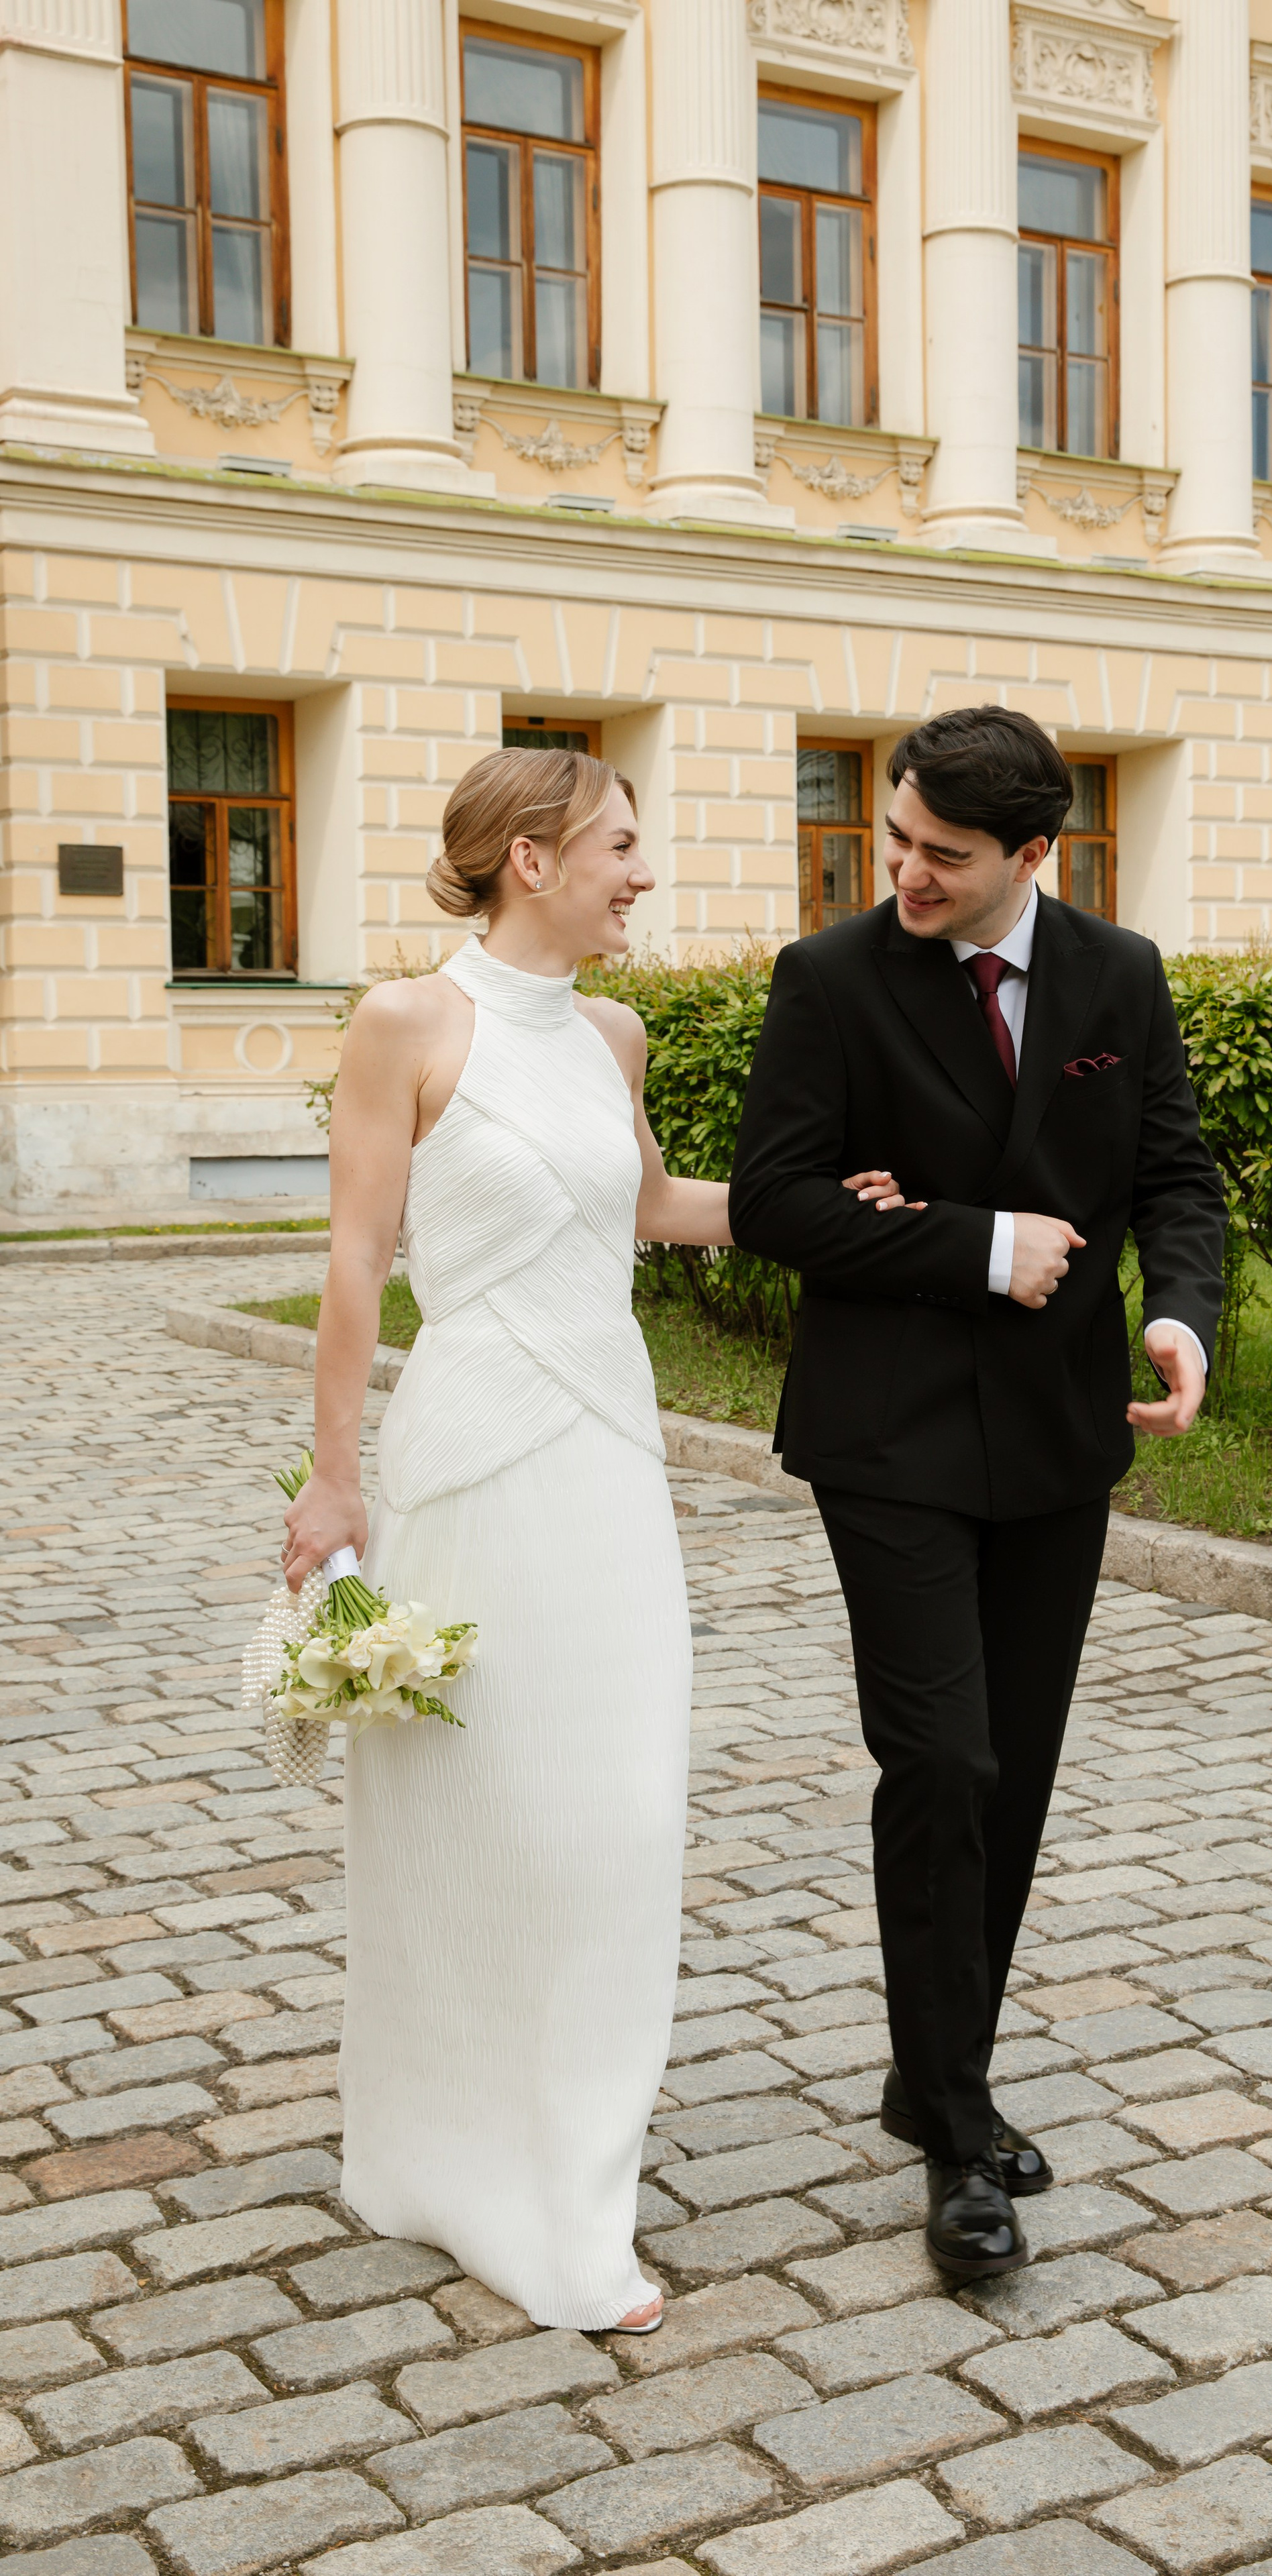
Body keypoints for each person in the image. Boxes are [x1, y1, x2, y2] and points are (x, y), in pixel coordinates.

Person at [729, 704, 1226, 2279]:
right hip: (885, 1434)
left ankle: (928, 2062)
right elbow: (771, 1201)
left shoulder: (1118, 976)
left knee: (1005, 1773)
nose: (905, 876)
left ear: (1033, 853)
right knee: (936, 1759)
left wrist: (1177, 1311)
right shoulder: (829, 980)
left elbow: (1172, 1177)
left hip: (1061, 1436)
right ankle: (957, 2138)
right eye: (894, 842)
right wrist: (972, 1240)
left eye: (942, 856)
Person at [278, 747, 730, 2334]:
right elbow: (352, 1265)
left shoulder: (615, 1035)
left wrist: (836, 1209)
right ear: (529, 858)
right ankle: (448, 2162)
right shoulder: (408, 1023)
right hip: (470, 1447)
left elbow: (651, 1207)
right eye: (620, 844)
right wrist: (332, 1485)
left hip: (606, 1444)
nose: (642, 872)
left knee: (616, 1815)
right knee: (470, 1813)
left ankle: (571, 2185)